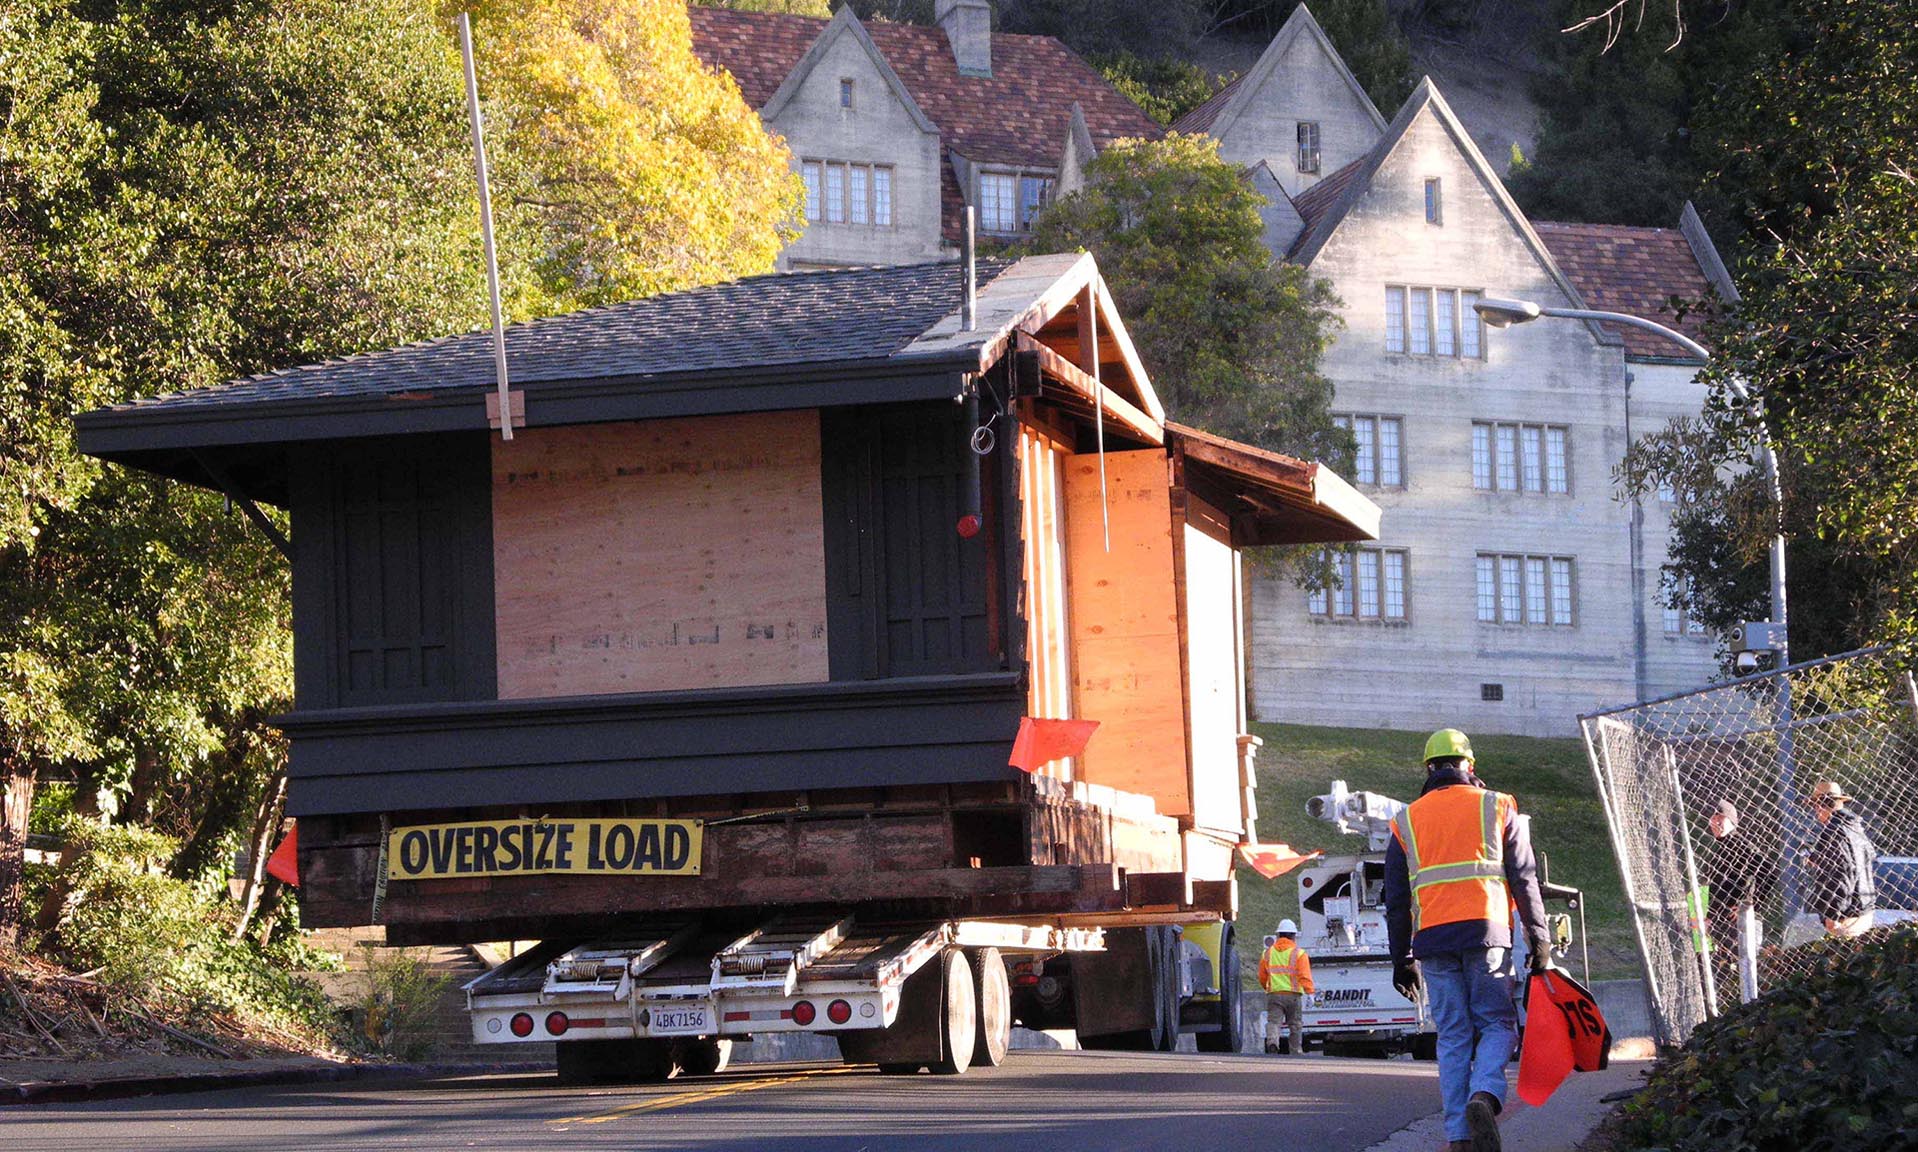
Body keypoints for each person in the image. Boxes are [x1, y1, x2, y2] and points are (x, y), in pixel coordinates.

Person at [1385, 729, 1551, 1152]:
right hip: (1487, 932)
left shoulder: (1406, 821)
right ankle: (1486, 1094)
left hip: (1433, 941)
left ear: (1428, 768)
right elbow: (1524, 878)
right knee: (1496, 1023)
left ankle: (1459, 1136)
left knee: (1454, 1035)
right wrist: (1539, 938)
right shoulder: (1498, 806)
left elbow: (1397, 900)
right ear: (1469, 766)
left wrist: (1401, 958)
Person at [1805, 779, 1877, 937]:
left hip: (1846, 914)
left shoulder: (1832, 831)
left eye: (1815, 806)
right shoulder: (1855, 826)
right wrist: (1820, 858)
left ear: (1819, 806)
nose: (1815, 811)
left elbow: (1841, 872)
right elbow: (1869, 855)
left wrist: (1833, 913)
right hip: (1864, 907)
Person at [1259, 918, 1314, 1056]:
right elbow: (1304, 975)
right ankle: (1295, 1051)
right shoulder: (1299, 953)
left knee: (1273, 1022)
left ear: (1278, 935)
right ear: (1294, 936)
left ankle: (1273, 1042)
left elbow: (1262, 976)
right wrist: (1310, 993)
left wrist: (1268, 988)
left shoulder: (1268, 953)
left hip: (1274, 994)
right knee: (1295, 1025)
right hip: (1293, 995)